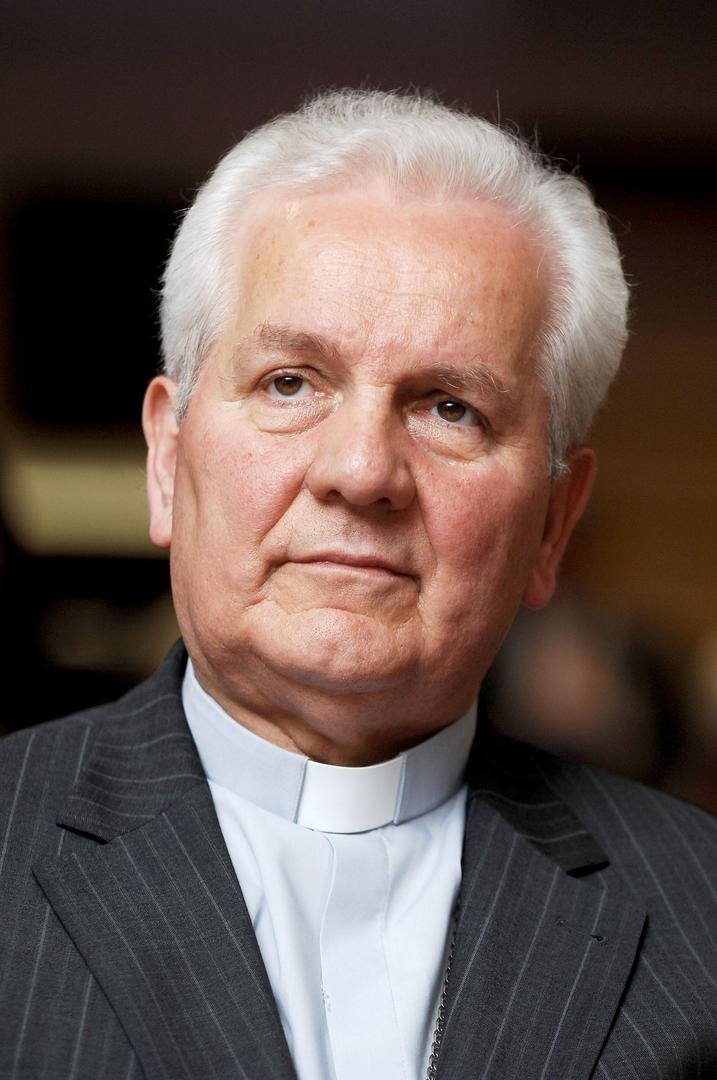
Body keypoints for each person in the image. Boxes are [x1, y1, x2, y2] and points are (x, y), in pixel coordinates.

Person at [1, 90, 715, 1080]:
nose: (361, 471)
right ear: (167, 459)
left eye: (450, 408)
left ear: (553, 523)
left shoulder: (701, 920)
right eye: (290, 382)